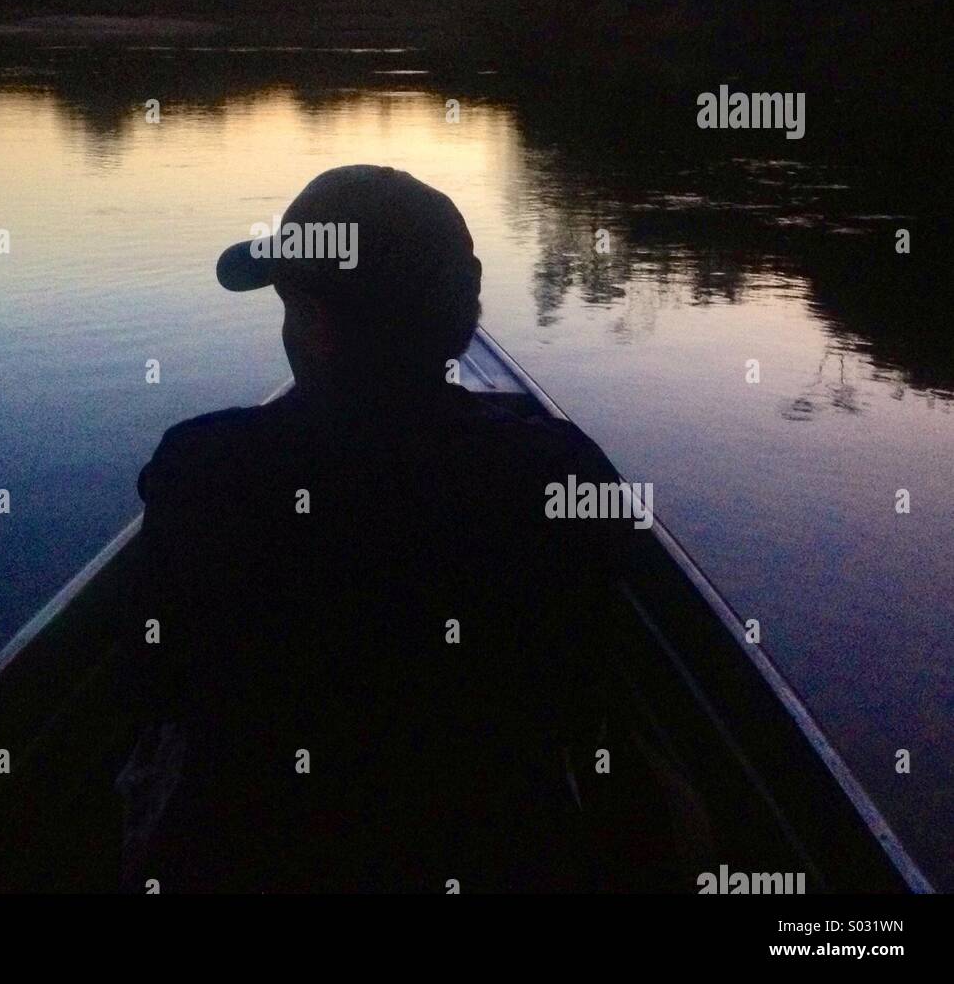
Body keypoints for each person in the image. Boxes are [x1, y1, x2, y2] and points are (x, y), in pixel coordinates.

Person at [117, 165, 640, 892]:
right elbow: (590, 695)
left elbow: (155, 684)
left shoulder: (198, 468)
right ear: (460, 317)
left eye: (290, 304)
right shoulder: (568, 476)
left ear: (316, 325)